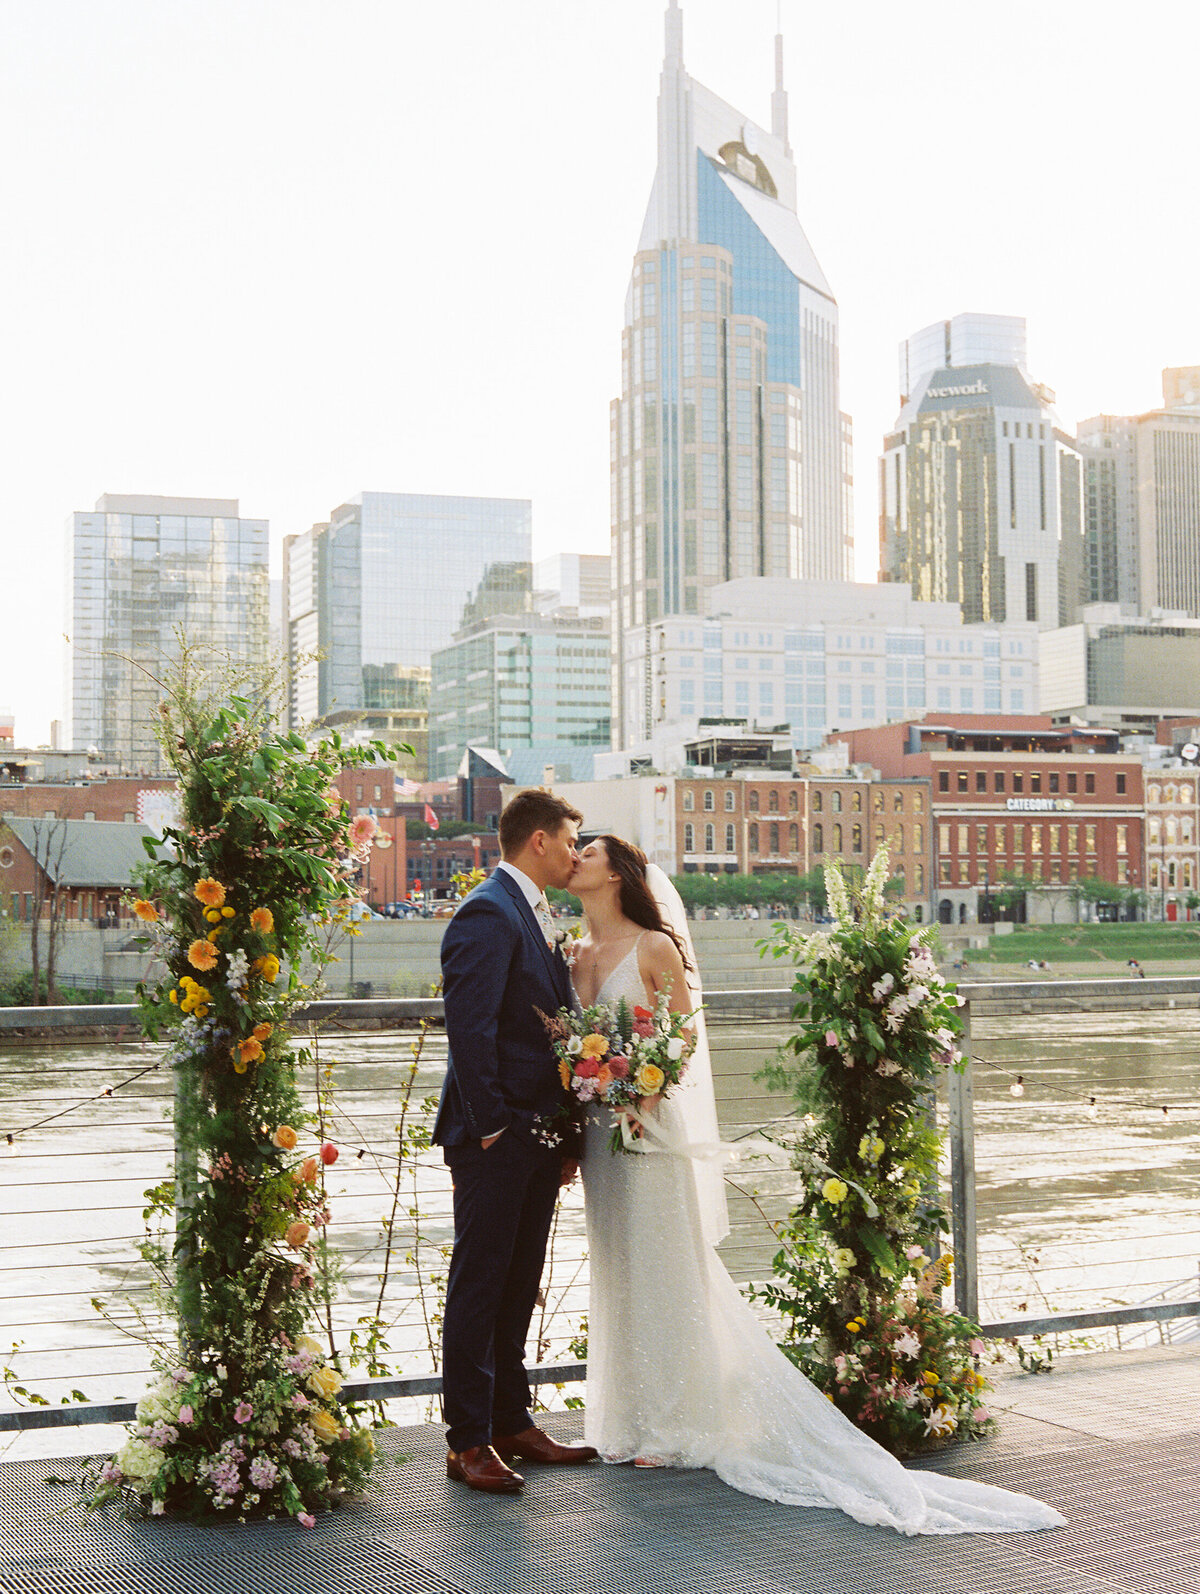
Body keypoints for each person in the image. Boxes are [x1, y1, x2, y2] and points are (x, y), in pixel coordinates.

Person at [568, 834, 1066, 1536]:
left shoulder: (653, 945)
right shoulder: (575, 952)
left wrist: (646, 1092)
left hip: (649, 1127)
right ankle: (622, 1418)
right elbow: (576, 1038)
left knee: (663, 1265)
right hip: (599, 1135)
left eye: (587, 851)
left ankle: (678, 1423)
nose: (574, 858)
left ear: (618, 873)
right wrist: (591, 1084)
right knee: (618, 1265)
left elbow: (685, 1034)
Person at [433, 789, 598, 1494]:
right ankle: (467, 1439)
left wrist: (558, 1133)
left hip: (536, 1134)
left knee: (517, 1283)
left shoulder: (529, 912)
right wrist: (497, 1126)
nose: (574, 853)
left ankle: (510, 1420)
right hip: (495, 1138)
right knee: (480, 1284)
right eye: (569, 841)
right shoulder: (486, 912)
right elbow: (469, 1032)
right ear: (537, 841)